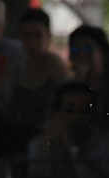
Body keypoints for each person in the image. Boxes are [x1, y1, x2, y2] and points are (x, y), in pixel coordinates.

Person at [9, 8, 71, 137]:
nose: (32, 43)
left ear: (48, 37)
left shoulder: (55, 66)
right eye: (26, 36)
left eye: (38, 36)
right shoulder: (17, 71)